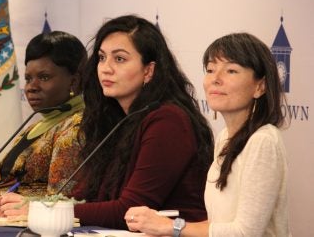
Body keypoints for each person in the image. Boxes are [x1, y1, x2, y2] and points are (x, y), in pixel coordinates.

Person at [0, 15, 214, 229]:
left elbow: (129, 211)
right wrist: (26, 205)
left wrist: (39, 210)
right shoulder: (118, 121)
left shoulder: (168, 121)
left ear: (148, 70)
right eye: (102, 57)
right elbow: (93, 198)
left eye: (120, 59)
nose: (106, 68)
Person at [125, 33, 291, 236]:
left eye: (231, 70)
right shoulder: (224, 138)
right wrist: (160, 223)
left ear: (260, 86)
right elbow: (217, 224)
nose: (215, 79)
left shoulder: (263, 141)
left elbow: (246, 233)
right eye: (211, 70)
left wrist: (171, 227)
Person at [0, 31, 87, 211]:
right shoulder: (38, 124)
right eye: (28, 78)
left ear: (74, 81)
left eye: (44, 77)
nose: (32, 87)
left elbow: (60, 201)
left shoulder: (76, 126)